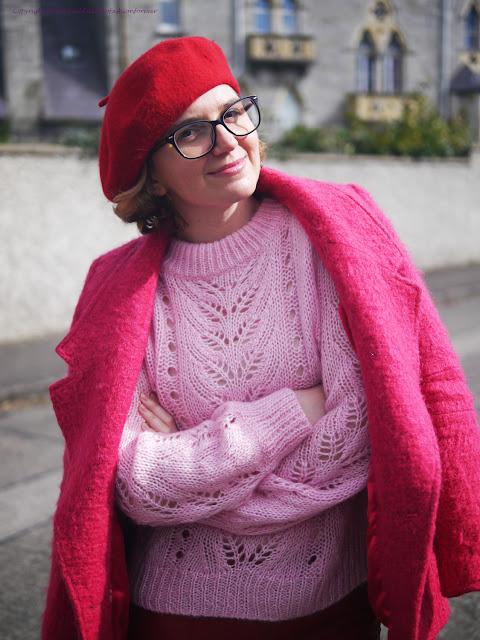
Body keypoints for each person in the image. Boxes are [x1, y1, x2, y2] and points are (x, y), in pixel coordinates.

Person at [42, 37, 480, 640]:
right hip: (174, 614)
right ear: (153, 176)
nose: (227, 140)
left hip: (331, 607)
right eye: (190, 132)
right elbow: (136, 486)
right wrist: (292, 412)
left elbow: (360, 432)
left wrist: (193, 465)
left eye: (233, 113)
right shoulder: (119, 292)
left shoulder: (329, 242)